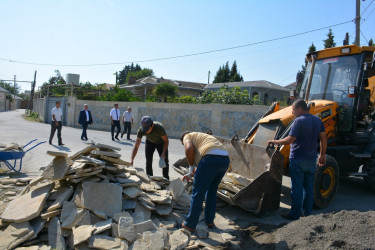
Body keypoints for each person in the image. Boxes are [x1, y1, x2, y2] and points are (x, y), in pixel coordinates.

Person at [267, 99, 327, 220]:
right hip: (311, 160)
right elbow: (323, 139)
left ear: (300, 109)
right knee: (309, 188)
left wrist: (275, 141)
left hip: (298, 159)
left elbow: (290, 140)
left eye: (294, 110)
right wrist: (322, 155)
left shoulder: (298, 121)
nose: (293, 113)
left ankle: (294, 215)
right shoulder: (317, 120)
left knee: (297, 188)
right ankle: (307, 214)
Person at [179, 131, 230, 232]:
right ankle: (209, 221)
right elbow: (204, 164)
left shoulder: (187, 136)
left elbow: (189, 148)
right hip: (224, 160)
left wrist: (190, 168)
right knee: (212, 191)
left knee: (198, 192)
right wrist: (191, 173)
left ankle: (190, 224)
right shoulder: (202, 138)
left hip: (210, 159)